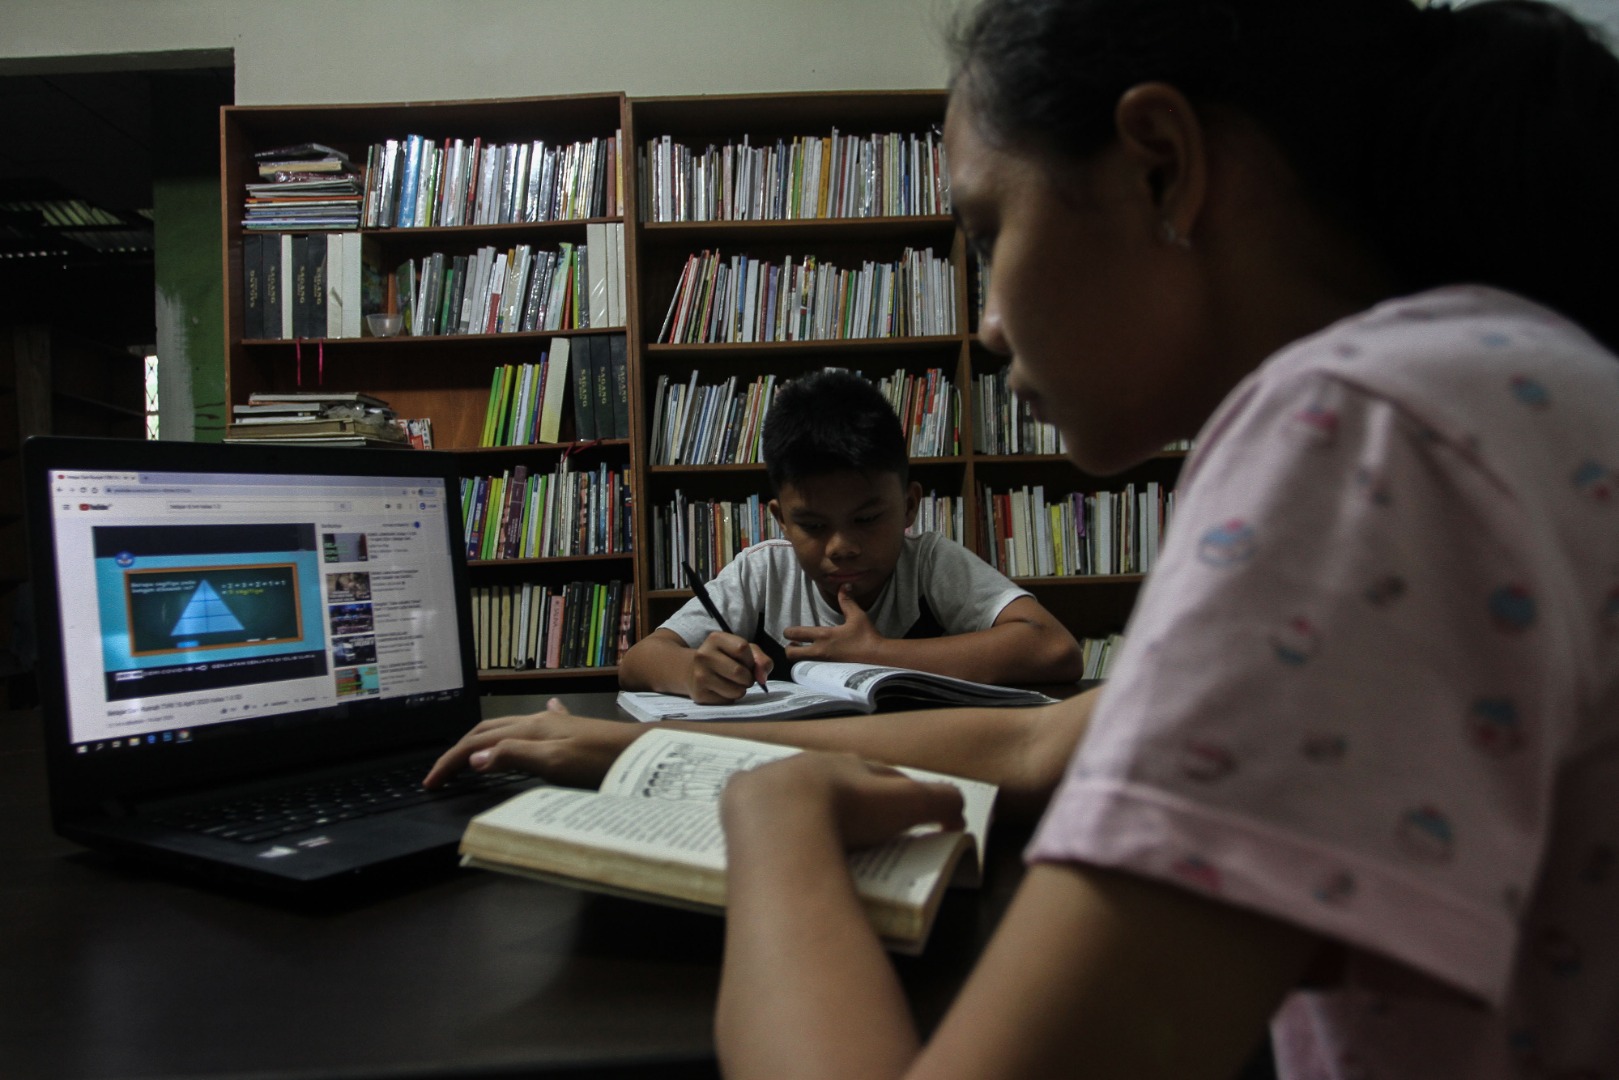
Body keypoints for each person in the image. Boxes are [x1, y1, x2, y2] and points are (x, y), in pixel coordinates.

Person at [430, 1, 1619, 1076]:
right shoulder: (1498, 391)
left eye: (989, 230)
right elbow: (1060, 742)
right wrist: (669, 756)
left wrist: (776, 826)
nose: (987, 322)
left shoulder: (1364, 434)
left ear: (1160, 167)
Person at [618, 368, 1085, 702]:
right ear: (781, 519)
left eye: (866, 518)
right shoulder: (764, 573)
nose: (842, 546)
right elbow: (639, 661)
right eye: (814, 526)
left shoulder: (928, 565)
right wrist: (692, 671)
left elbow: (1054, 648)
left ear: (908, 506)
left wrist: (876, 653)